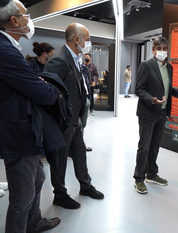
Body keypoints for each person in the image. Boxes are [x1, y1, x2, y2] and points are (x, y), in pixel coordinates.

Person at [0, 0, 61, 232]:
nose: (29, 20)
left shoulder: (10, 48)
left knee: (37, 179)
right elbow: (44, 94)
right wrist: (46, 87)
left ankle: (33, 222)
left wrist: (37, 83)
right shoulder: (4, 50)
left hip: (27, 130)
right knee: (22, 196)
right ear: (14, 21)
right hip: (19, 133)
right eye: (26, 15)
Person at [44, 22, 104, 209]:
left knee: (80, 154)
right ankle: (60, 194)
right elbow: (47, 92)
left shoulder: (76, 57)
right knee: (60, 159)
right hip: (63, 121)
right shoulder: (59, 60)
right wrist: (60, 117)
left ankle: (85, 185)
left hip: (75, 119)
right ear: (77, 39)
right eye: (87, 39)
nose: (88, 43)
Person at [133, 37, 178, 194]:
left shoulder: (169, 68)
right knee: (144, 147)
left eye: (164, 48)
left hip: (162, 112)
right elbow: (139, 89)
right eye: (159, 48)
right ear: (153, 50)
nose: (162, 51)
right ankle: (139, 179)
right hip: (148, 112)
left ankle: (152, 174)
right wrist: (152, 99)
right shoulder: (146, 65)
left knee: (155, 146)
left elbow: (168, 87)